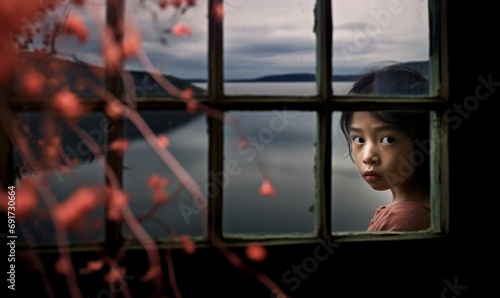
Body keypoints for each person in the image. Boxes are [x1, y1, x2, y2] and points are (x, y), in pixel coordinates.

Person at [339, 62, 430, 232]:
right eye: (358, 139)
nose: (368, 156)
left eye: (387, 139)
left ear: (423, 139)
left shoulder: (404, 220)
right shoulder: (418, 208)